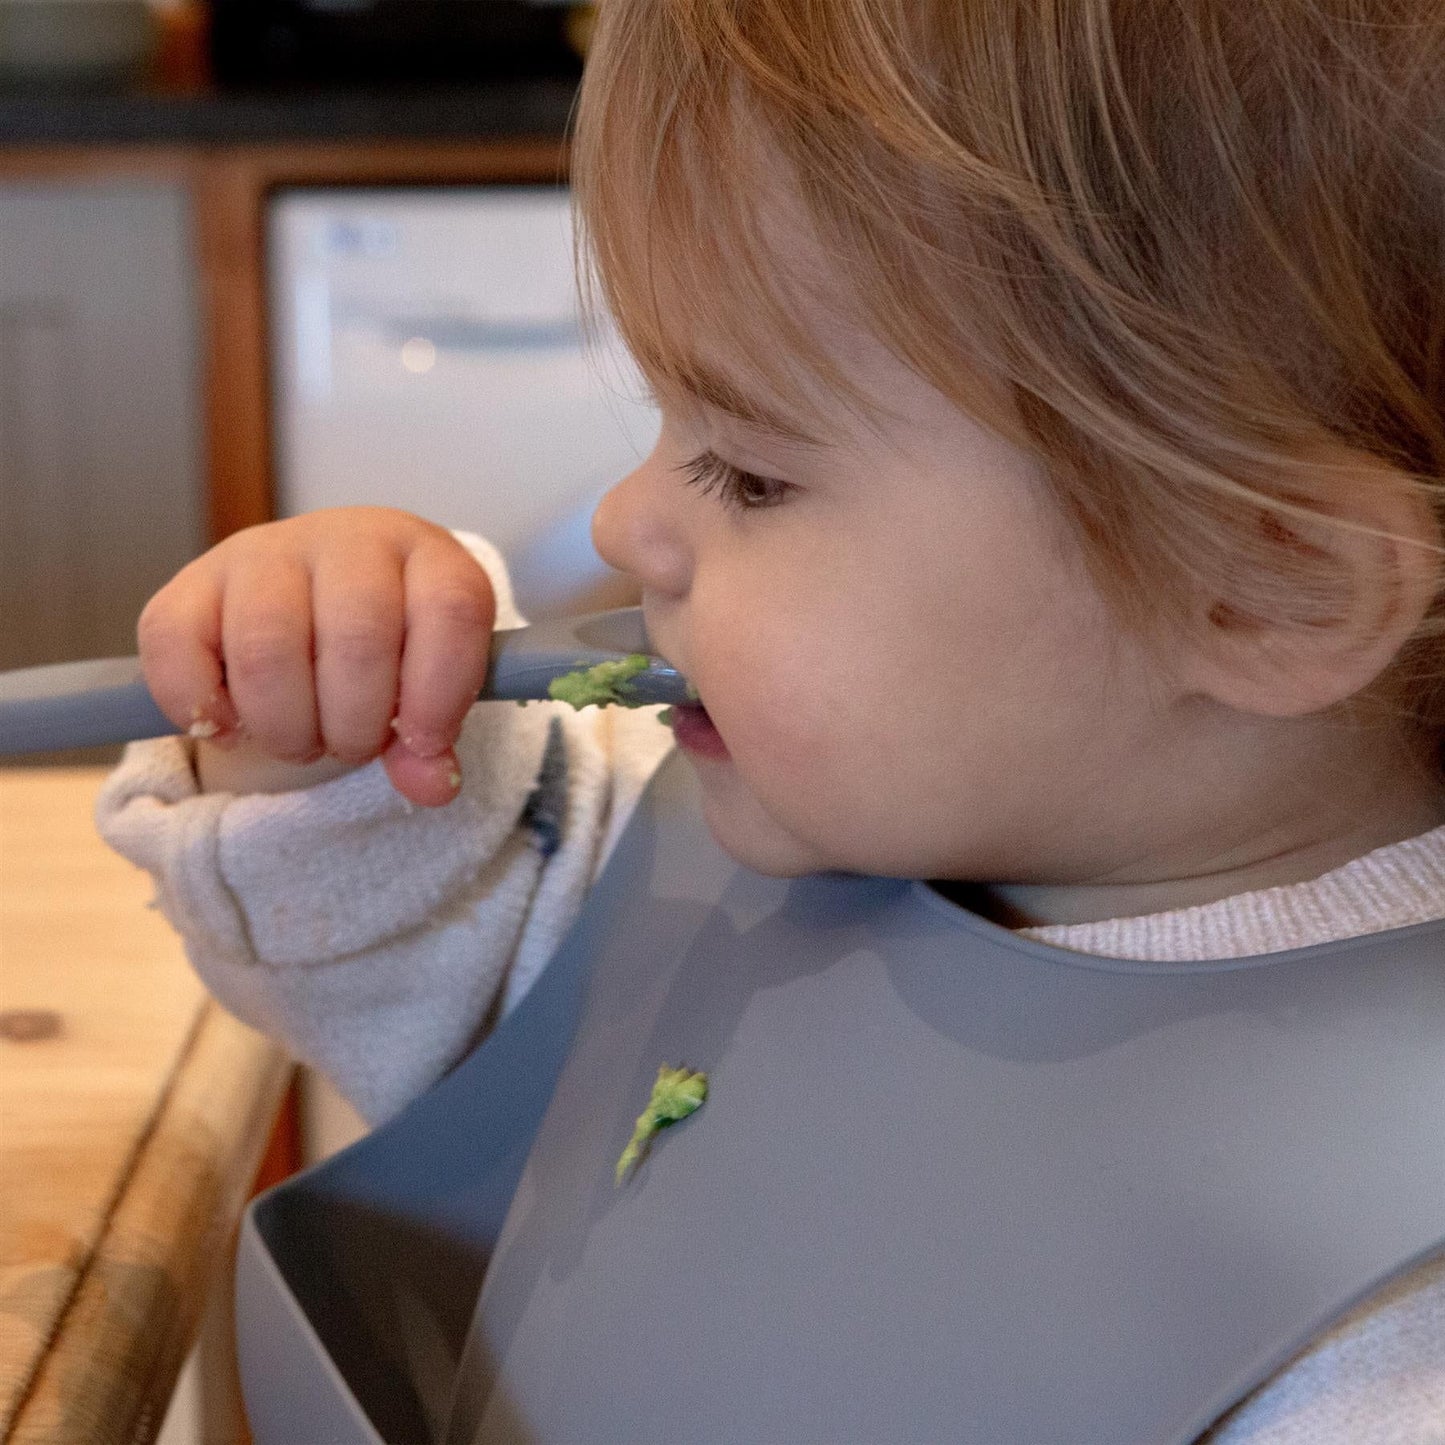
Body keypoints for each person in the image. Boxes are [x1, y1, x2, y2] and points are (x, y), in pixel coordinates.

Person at [98, 0, 1444, 1438]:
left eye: (747, 473)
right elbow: (387, 919)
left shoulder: (1384, 1333)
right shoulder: (713, 842)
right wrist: (325, 722)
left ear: (1259, 585)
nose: (627, 520)